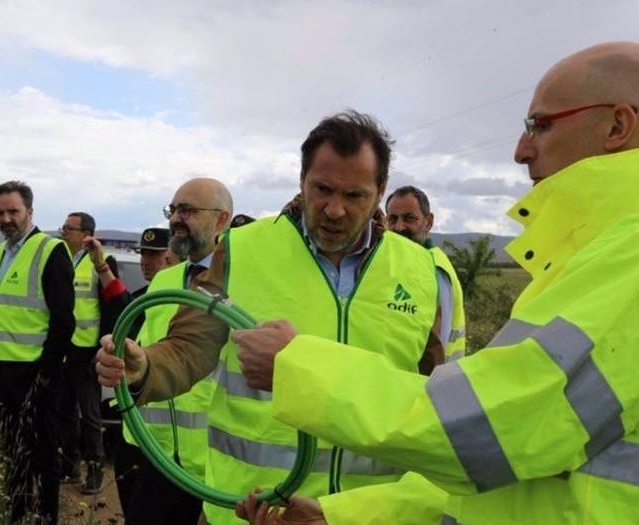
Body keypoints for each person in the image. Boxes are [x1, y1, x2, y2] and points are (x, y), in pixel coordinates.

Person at [235, 41, 639, 525]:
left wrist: (298, 367)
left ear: (617, 126)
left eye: (540, 125)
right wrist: (345, 514)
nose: (521, 150)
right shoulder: (611, 252)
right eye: (322, 189)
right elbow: (518, 478)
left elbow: (498, 429)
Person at [96, 111, 448, 525]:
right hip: (249, 511)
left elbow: (432, 395)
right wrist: (144, 369)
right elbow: (190, 347)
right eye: (322, 189)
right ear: (301, 179)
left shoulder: (419, 271)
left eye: (354, 196)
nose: (334, 210)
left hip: (365, 516)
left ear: (380, 190)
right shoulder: (241, 250)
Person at [120, 178, 234, 525]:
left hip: (213, 466)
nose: (174, 220)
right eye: (173, 210)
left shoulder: (244, 280)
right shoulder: (165, 282)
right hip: (156, 454)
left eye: (187, 210)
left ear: (221, 220)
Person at [0, 181, 75, 524]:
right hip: (2, 371)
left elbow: (64, 321)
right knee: (11, 450)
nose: (6, 219)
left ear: (30, 212)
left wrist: (47, 374)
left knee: (43, 452)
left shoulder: (50, 250)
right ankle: (19, 512)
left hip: (36, 375)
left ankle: (47, 515)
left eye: (13, 211)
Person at [56, 211, 129, 494]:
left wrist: (102, 346)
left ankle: (95, 470)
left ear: (86, 234)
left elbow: (114, 302)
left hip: (88, 352)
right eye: (63, 227)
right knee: (66, 412)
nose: (64, 232)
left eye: (69, 228)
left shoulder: (101, 261)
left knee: (90, 416)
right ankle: (69, 466)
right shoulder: (61, 256)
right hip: (64, 349)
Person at [114, 226, 175, 511]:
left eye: (155, 254)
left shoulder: (189, 302)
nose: (146, 261)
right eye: (144, 254)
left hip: (171, 445)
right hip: (134, 428)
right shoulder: (142, 298)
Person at [386, 185, 467, 359]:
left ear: (428, 222)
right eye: (392, 219)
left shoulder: (436, 269)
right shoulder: (386, 262)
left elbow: (438, 340)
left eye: (409, 218)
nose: (399, 227)